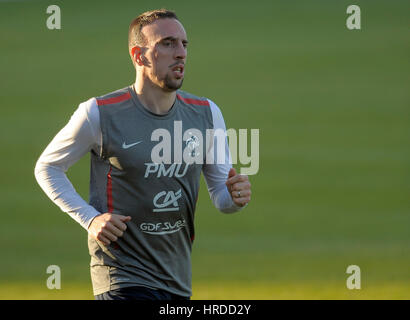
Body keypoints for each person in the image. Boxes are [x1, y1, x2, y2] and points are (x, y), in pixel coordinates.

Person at [35, 9, 251, 300]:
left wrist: (235, 196)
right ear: (139, 56)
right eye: (167, 43)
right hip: (121, 278)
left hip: (177, 280)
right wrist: (91, 219)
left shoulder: (206, 113)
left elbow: (222, 198)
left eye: (184, 45)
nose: (180, 53)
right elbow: (48, 167)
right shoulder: (100, 113)